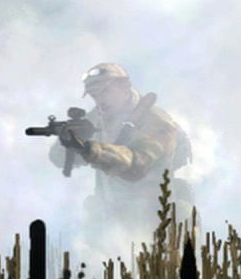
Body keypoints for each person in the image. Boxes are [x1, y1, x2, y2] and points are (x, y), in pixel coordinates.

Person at [49, 63, 194, 248]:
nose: (100, 100)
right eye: (94, 95)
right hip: (110, 222)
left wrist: (88, 149)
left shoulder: (156, 121)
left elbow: (136, 165)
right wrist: (67, 141)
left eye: (105, 91)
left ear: (125, 87)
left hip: (155, 220)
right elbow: (58, 158)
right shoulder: (98, 117)